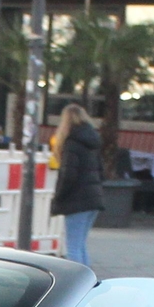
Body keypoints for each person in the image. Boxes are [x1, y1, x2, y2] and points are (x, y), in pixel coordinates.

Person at [50, 102, 105, 267]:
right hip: (93, 198)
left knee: (73, 247)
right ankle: (88, 278)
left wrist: (58, 198)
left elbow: (68, 176)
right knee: (80, 244)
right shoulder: (93, 142)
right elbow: (101, 171)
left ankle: (78, 279)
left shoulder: (71, 143)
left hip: (77, 200)